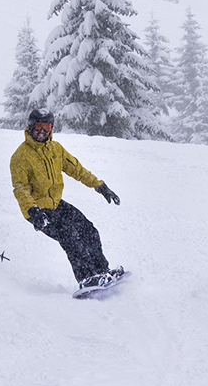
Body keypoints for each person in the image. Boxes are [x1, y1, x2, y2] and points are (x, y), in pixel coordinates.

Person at [9, 109, 124, 290]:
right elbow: (20, 189)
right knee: (70, 238)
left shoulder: (56, 149)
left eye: (46, 127)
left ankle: (102, 271)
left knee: (89, 230)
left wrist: (100, 186)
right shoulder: (20, 156)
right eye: (39, 126)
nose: (42, 131)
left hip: (55, 204)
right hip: (38, 210)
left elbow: (77, 170)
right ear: (31, 126)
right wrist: (33, 211)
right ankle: (86, 279)